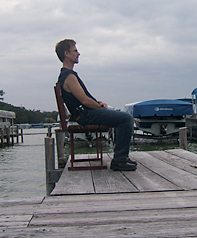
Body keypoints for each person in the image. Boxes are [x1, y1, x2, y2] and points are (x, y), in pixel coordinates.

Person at [56, 39, 137, 171]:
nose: (78, 53)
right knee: (126, 118)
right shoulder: (69, 76)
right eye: (75, 51)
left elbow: (85, 98)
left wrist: (98, 103)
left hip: (85, 113)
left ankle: (121, 157)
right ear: (66, 54)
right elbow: (85, 101)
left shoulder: (67, 75)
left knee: (122, 117)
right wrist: (99, 107)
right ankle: (119, 161)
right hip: (85, 116)